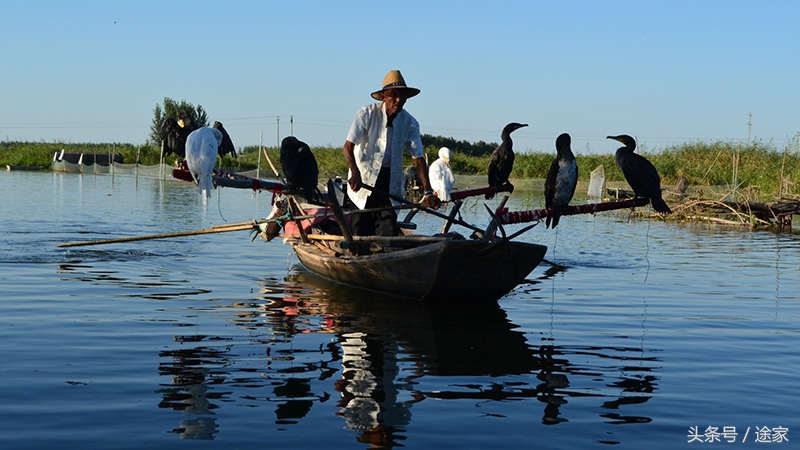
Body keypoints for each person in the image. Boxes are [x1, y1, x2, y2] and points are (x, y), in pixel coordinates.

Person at [343, 70, 440, 236]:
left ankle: (384, 258)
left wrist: (428, 191)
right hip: (363, 181)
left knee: (387, 235)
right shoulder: (366, 114)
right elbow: (347, 147)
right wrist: (355, 173)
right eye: (393, 95)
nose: (398, 100)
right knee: (360, 234)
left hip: (390, 184)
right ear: (383, 96)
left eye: (402, 96)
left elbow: (418, 159)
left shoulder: (410, 123)